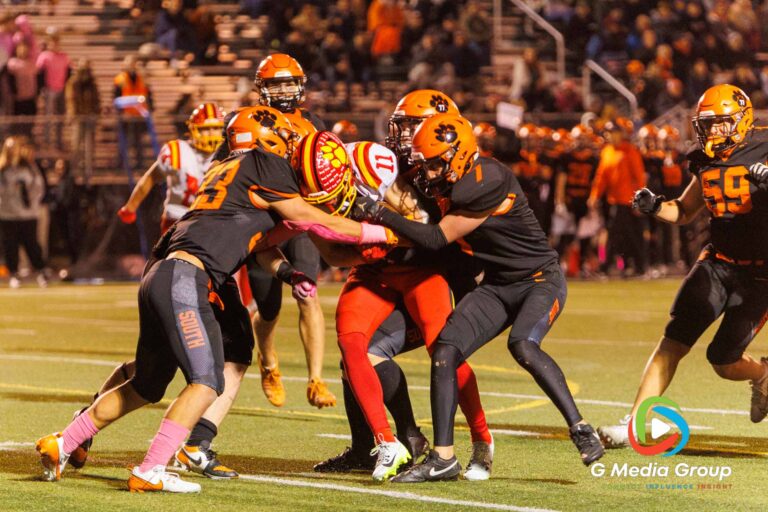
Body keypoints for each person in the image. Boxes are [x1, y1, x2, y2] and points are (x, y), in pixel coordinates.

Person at [34, 105, 397, 493]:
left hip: (164, 272)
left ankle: (64, 441)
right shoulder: (266, 167)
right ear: (265, 141)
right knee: (206, 382)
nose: (291, 142)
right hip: (187, 279)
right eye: (286, 136)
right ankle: (151, 468)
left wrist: (288, 272)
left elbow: (255, 241)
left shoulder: (229, 171)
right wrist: (381, 232)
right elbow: (315, 220)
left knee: (147, 384)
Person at [354, 113, 604, 482]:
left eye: (436, 163)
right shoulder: (449, 182)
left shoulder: (484, 182)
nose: (429, 171)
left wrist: (380, 214)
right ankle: (443, 457)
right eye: (426, 163)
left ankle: (581, 428)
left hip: (539, 280)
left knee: (523, 345)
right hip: (500, 285)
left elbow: (437, 238)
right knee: (445, 350)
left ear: (459, 155)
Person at [303, 129, 492, 482]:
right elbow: (331, 253)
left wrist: (386, 234)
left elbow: (425, 231)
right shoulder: (306, 191)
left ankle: (482, 438)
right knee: (351, 343)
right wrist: (366, 244)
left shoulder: (372, 165)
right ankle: (387, 441)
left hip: (421, 270)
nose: (330, 201)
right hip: (374, 270)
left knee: (445, 350)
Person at [599, 84, 768, 448]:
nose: (712, 133)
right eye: (706, 125)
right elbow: (687, 209)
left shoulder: (765, 147)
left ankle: (764, 375)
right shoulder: (703, 158)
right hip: (717, 263)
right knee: (673, 341)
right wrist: (656, 206)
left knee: (723, 361)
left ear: (741, 121)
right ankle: (636, 424)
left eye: (720, 124)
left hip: (760, 274)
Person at [244, 53, 336, 409]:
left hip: (300, 216)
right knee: (267, 309)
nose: (283, 90)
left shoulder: (314, 123)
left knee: (307, 293)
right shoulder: (248, 121)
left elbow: (328, 164)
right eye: (275, 83)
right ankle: (268, 361)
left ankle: (316, 379)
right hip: (263, 220)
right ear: (261, 88)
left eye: (288, 82)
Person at [117, 103, 225, 234]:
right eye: (206, 129)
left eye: (216, 128)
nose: (211, 133)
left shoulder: (230, 153)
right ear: (193, 129)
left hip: (215, 222)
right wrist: (130, 207)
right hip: (178, 220)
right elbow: (151, 178)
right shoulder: (177, 151)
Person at [588, 118, 648, 277]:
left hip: (629, 201)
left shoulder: (630, 151)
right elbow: (601, 177)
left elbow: (639, 178)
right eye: (608, 133)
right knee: (624, 235)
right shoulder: (607, 151)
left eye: (613, 132)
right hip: (614, 200)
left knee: (623, 234)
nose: (610, 136)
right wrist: (594, 196)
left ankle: (608, 266)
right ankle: (634, 266)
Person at [0, 136, 47, 288]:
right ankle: (14, 273)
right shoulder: (3, 169)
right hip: (8, 214)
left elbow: (38, 187)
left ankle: (41, 272)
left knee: (32, 244)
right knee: (10, 246)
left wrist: (32, 202)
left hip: (27, 214)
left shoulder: (28, 167)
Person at [114, 55, 153, 171]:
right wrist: (120, 112)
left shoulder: (142, 79)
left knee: (138, 141)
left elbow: (148, 96)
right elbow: (117, 96)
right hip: (126, 115)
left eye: (133, 63)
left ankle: (139, 163)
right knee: (124, 141)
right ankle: (121, 163)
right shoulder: (120, 79)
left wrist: (150, 110)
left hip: (138, 115)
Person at [65, 59, 100, 180]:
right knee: (76, 145)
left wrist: (96, 113)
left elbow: (96, 99)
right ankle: (74, 171)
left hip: (90, 117)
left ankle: (88, 171)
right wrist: (74, 114)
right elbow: (71, 99)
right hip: (79, 118)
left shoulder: (92, 82)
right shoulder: (74, 82)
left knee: (89, 146)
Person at [36, 30, 70, 150]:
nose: (55, 44)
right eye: (52, 42)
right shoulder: (44, 56)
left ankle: (58, 141)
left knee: (61, 117)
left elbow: (69, 73)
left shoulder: (64, 56)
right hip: (49, 90)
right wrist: (42, 89)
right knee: (48, 117)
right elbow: (39, 74)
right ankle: (47, 141)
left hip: (61, 89)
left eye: (56, 41)